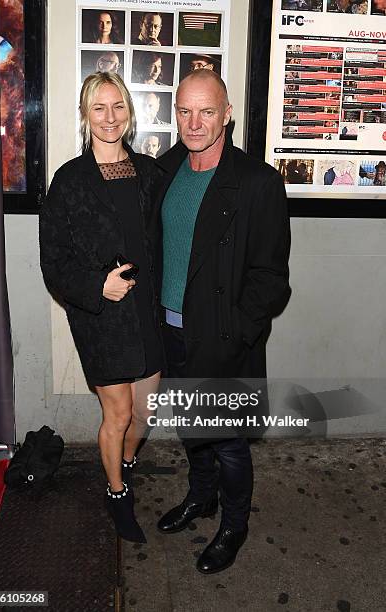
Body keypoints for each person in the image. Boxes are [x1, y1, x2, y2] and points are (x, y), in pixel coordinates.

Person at [151, 70, 291, 573]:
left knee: (228, 439)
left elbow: (271, 277)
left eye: (207, 111)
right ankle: (200, 498)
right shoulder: (165, 170)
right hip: (170, 329)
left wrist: (237, 331)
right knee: (191, 427)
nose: (194, 122)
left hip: (222, 335)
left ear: (227, 113)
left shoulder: (257, 182)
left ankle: (233, 524)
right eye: (185, 111)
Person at [39, 72, 163, 544]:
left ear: (129, 113)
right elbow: (54, 262)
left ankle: (126, 463)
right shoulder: (69, 181)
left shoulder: (151, 174)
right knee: (117, 414)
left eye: (118, 107)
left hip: (148, 314)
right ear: (85, 115)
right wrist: (97, 286)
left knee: (143, 414)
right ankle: (117, 493)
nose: (109, 117)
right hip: (103, 320)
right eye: (99, 108)